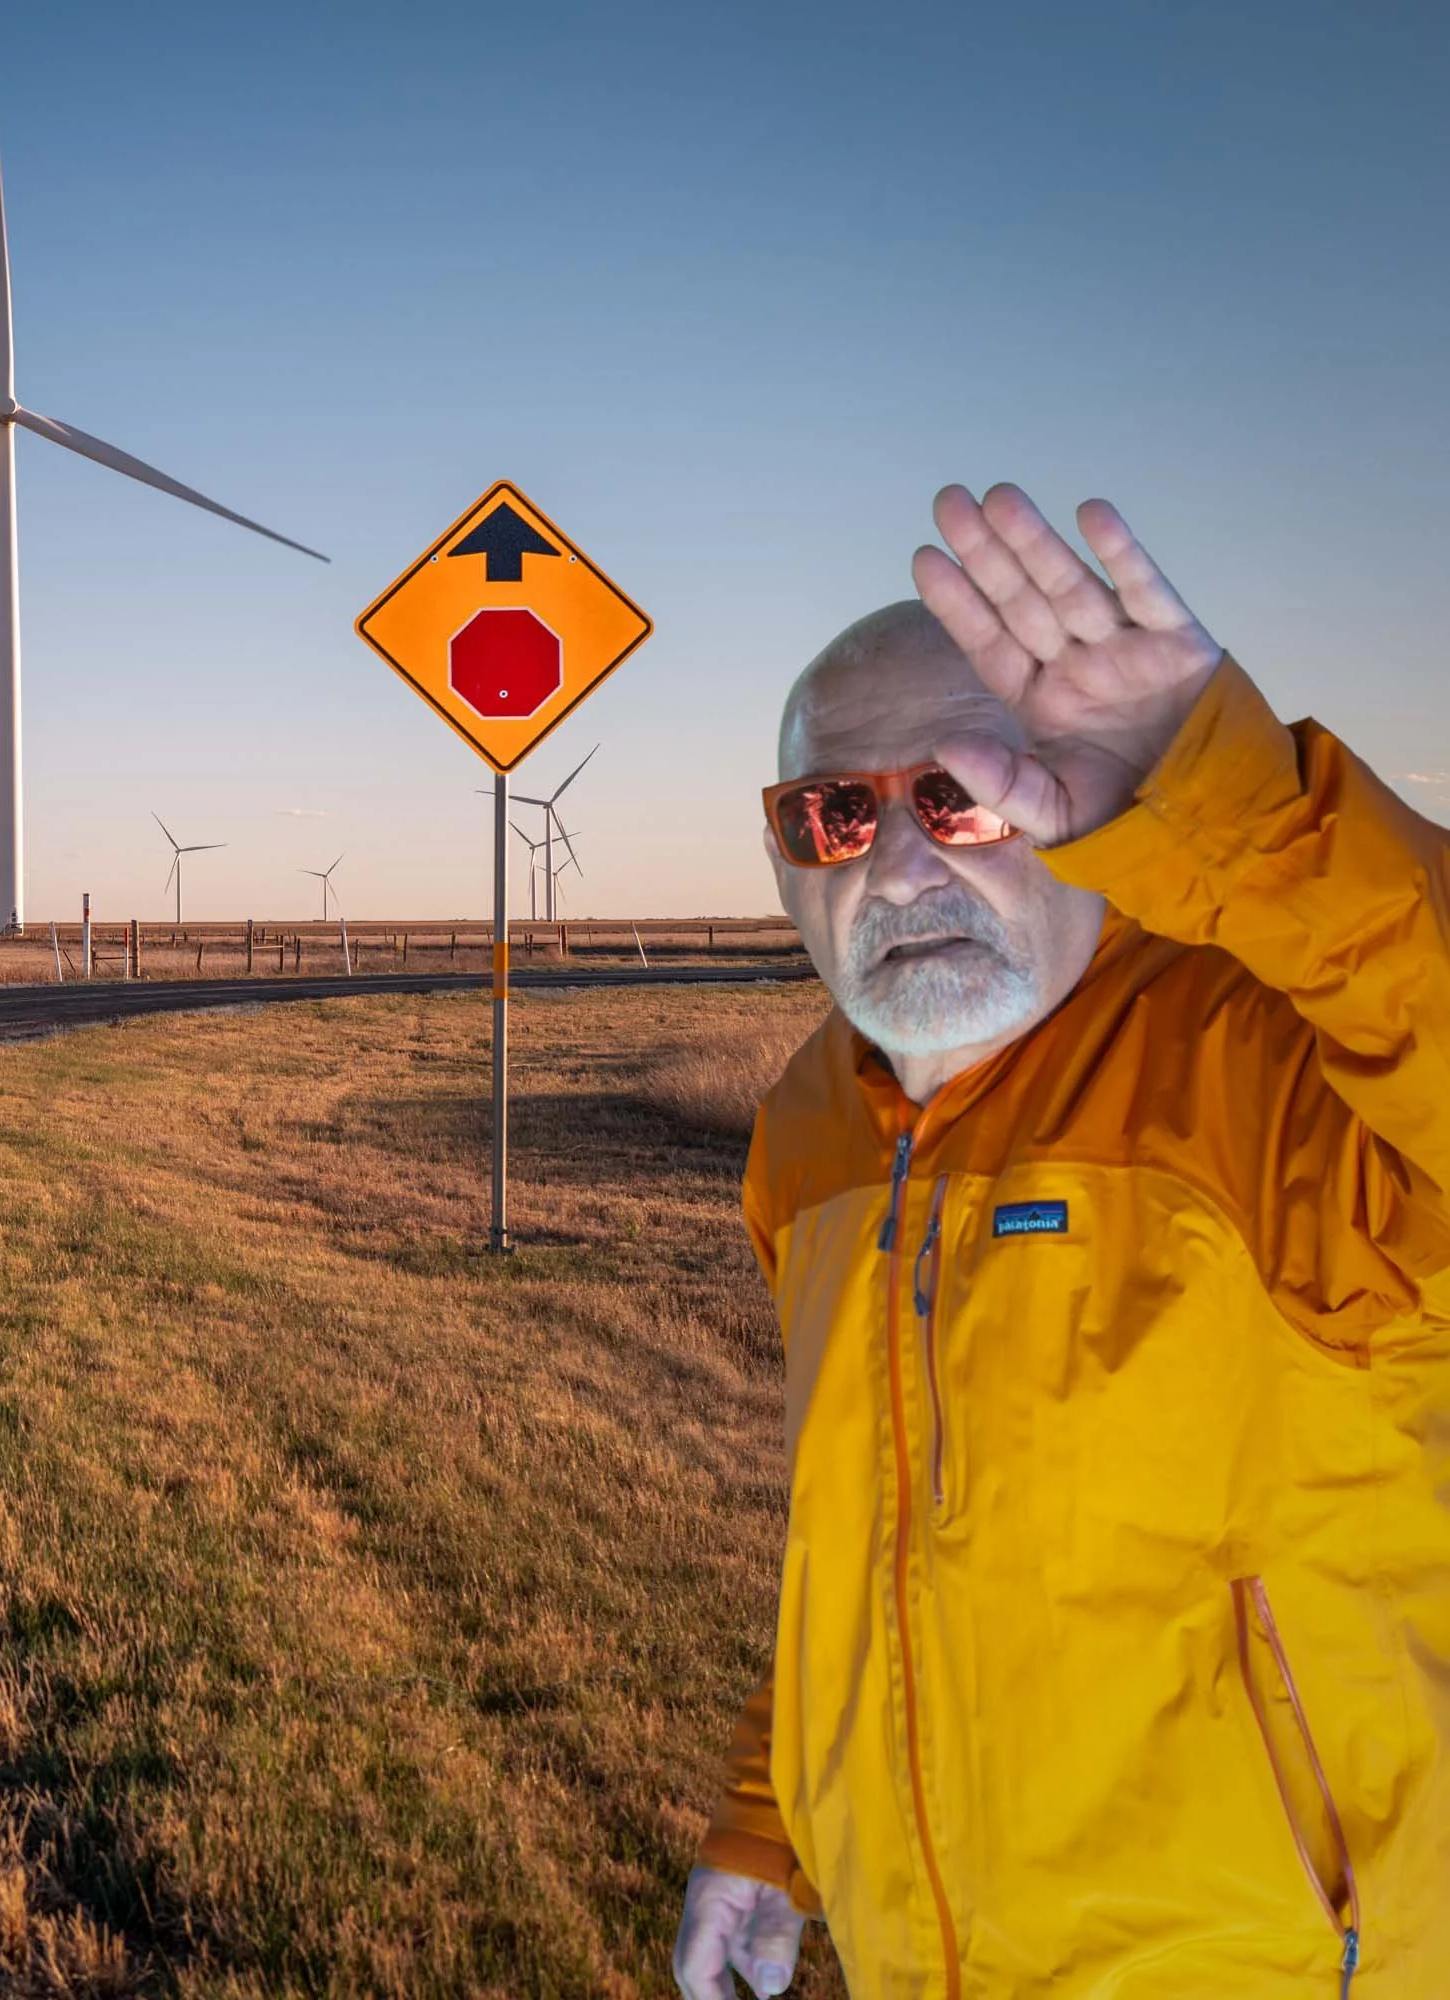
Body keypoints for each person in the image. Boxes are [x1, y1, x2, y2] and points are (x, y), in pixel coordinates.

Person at [672, 484, 1450, 1998]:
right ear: (786, 870)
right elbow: (864, 1533)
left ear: (1076, 800)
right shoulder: (806, 1138)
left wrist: (1227, 800)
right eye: (838, 814)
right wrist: (771, 1826)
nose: (898, 869)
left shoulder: (1275, 1070)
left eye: (963, 797)